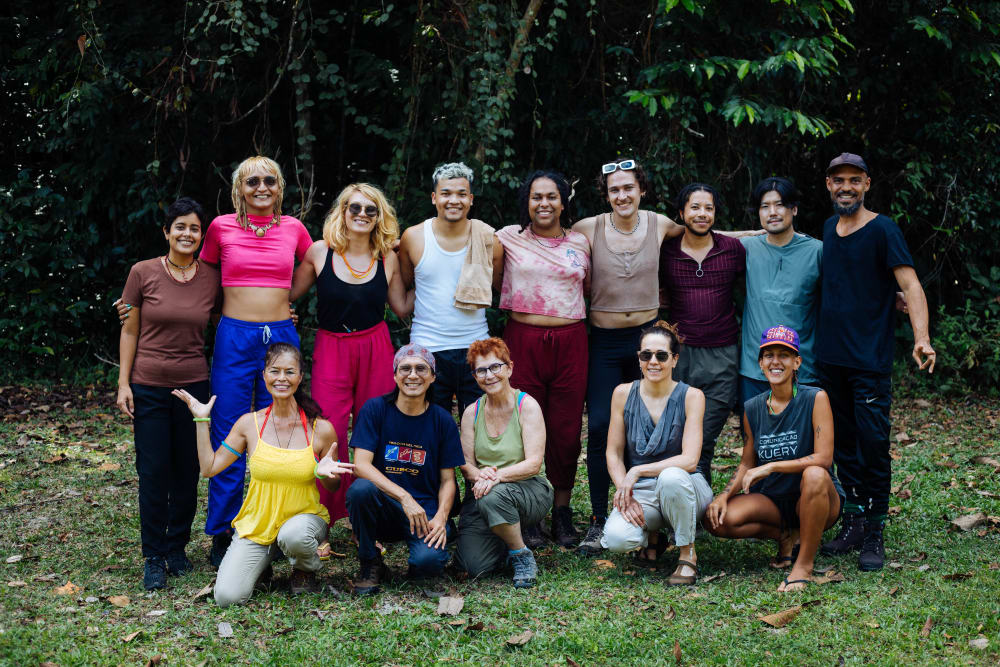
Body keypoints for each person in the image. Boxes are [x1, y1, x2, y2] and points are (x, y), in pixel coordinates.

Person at [816, 153, 935, 571]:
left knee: (872, 445)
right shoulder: (830, 228)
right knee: (842, 445)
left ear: (867, 183)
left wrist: (921, 338)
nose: (845, 187)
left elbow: (911, 284)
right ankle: (851, 521)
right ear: (828, 185)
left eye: (853, 180)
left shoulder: (884, 229)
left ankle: (875, 529)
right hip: (830, 360)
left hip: (868, 361)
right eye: (837, 180)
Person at [172, 343, 352, 606]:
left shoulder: (320, 429)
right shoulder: (249, 424)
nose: (282, 378)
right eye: (274, 371)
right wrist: (201, 421)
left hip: (303, 523)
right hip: (259, 524)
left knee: (294, 535)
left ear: (300, 377)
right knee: (227, 598)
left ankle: (306, 569)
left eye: (289, 372)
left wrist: (323, 473)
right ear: (264, 375)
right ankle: (264, 563)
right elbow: (209, 467)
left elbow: (334, 487)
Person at [571, 158, 685, 554]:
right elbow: (545, 239)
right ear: (606, 195)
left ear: (641, 190)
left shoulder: (659, 224)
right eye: (614, 189)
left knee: (658, 425)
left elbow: (708, 232)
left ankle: (662, 514)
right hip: (602, 341)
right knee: (602, 426)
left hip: (647, 339)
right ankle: (599, 518)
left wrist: (760, 232)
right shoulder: (589, 227)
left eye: (628, 188)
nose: (622, 195)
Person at [292, 183, 413, 528]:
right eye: (354, 208)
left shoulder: (388, 257)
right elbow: (289, 294)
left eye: (370, 210)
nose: (362, 214)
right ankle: (327, 514)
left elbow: (401, 306)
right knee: (328, 427)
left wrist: (437, 280)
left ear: (379, 217)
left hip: (375, 345)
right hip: (332, 346)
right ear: (342, 212)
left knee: (375, 424)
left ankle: (372, 509)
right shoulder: (320, 252)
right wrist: (279, 310)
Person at [116, 197, 221, 590]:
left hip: (193, 386)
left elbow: (225, 321)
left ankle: (177, 547)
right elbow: (129, 329)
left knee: (187, 470)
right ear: (166, 231)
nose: (187, 234)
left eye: (195, 228)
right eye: (180, 227)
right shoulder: (142, 273)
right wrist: (124, 383)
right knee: (154, 470)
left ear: (201, 235)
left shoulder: (212, 277)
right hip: (149, 385)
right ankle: (153, 555)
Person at [706, 326, 844, 591]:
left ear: (797, 362)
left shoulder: (815, 398)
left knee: (814, 474)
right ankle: (786, 535)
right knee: (716, 519)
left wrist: (771, 466)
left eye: (784, 355)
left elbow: (824, 459)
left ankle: (803, 564)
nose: (776, 361)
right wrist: (724, 494)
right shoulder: (753, 407)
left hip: (818, 497)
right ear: (760, 363)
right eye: (769, 355)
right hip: (775, 500)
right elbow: (747, 462)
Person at [493, 170, 589, 548]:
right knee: (523, 426)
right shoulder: (506, 238)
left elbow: (590, 289)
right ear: (527, 202)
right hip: (522, 338)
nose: (544, 204)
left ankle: (562, 510)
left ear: (564, 202)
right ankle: (530, 512)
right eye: (536, 197)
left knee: (565, 430)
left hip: (571, 340)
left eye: (552, 197)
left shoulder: (581, 242)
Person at [346, 343, 465, 595]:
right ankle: (370, 562)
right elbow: (361, 465)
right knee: (360, 490)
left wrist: (442, 518)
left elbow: (447, 481)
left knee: (428, 564)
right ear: (394, 375)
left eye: (421, 369)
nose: (413, 375)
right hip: (384, 504)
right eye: (405, 369)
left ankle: (427, 553)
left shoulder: (442, 420)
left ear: (433, 377)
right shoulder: (375, 409)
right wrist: (403, 496)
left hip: (424, 509)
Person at [600, 321, 709, 586]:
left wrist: (637, 471)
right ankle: (652, 536)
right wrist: (624, 490)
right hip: (645, 491)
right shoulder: (623, 394)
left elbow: (690, 460)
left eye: (662, 355)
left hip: (687, 487)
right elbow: (613, 453)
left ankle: (687, 554)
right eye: (646, 355)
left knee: (671, 476)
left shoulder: (691, 396)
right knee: (617, 538)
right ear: (638, 358)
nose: (653, 362)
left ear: (674, 359)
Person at [657, 183, 745, 509]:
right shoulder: (666, 252)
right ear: (681, 213)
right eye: (695, 207)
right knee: (677, 432)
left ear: (715, 214)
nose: (702, 214)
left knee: (705, 436)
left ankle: (696, 501)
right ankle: (680, 505)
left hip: (723, 353)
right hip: (681, 356)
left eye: (708, 208)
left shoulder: (732, 249)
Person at [454, 338, 553, 587]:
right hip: (483, 491)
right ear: (475, 376)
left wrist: (494, 477)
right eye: (481, 370)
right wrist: (481, 476)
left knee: (494, 496)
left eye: (495, 367)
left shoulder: (527, 406)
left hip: (528, 489)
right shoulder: (471, 412)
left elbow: (533, 463)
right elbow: (465, 464)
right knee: (473, 566)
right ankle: (503, 539)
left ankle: (521, 554)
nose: (489, 375)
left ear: (509, 368)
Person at [398, 162, 490, 417]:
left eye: (462, 194)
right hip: (427, 347)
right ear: (434, 197)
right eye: (446, 193)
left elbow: (497, 284)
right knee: (428, 426)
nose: (454, 200)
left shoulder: (487, 239)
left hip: (476, 346)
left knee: (479, 425)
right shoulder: (414, 237)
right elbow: (407, 283)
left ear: (471, 199)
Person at [739, 178, 822, 406]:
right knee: (754, 438)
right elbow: (702, 236)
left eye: (780, 205)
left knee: (803, 439)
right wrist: (748, 233)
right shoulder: (747, 248)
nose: (772, 212)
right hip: (755, 369)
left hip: (802, 368)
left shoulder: (817, 251)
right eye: (765, 207)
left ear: (794, 209)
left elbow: (847, 288)